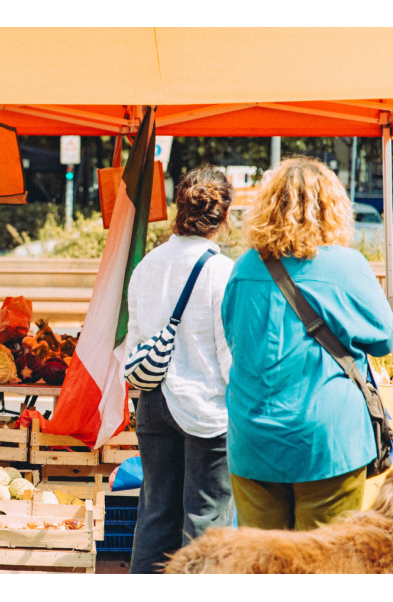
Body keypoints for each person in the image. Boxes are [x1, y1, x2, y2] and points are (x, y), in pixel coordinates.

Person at [222, 156, 393, 531]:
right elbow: (383, 339)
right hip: (327, 440)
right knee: (324, 566)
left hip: (252, 437)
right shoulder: (346, 265)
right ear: (333, 208)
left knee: (260, 566)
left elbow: (234, 338)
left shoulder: (244, 268)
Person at [125, 166, 237, 574]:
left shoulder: (148, 266)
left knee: (155, 515)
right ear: (224, 216)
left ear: (178, 207)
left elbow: (135, 339)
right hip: (207, 409)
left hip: (153, 401)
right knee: (205, 525)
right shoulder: (222, 272)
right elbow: (230, 355)